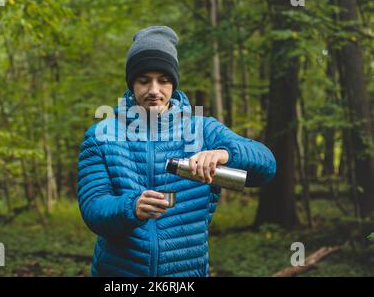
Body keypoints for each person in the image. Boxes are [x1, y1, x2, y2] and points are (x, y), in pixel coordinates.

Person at [77, 25, 276, 277]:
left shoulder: (203, 130)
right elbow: (94, 209)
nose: (154, 90)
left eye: (163, 80)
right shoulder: (101, 135)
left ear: (173, 82)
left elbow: (267, 166)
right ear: (131, 83)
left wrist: (225, 154)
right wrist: (131, 207)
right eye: (143, 80)